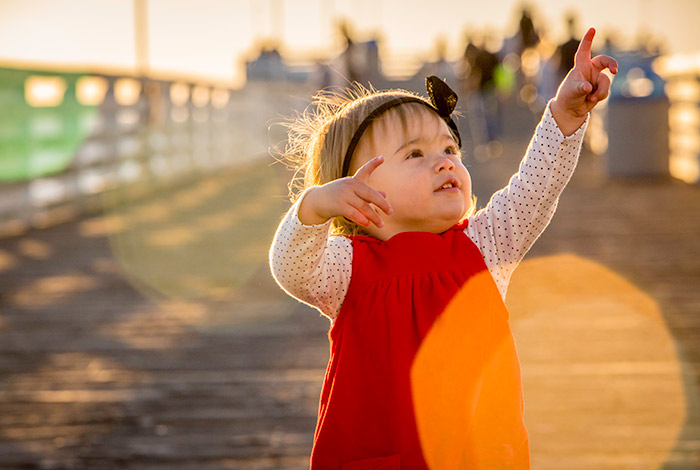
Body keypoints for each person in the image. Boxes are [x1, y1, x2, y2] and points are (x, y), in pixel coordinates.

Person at [270, 28, 617, 469]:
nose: (445, 160)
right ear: (353, 189)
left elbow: (536, 188)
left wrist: (564, 117)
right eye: (414, 154)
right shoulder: (348, 266)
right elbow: (292, 268)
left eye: (450, 147)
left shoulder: (485, 246)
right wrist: (313, 206)